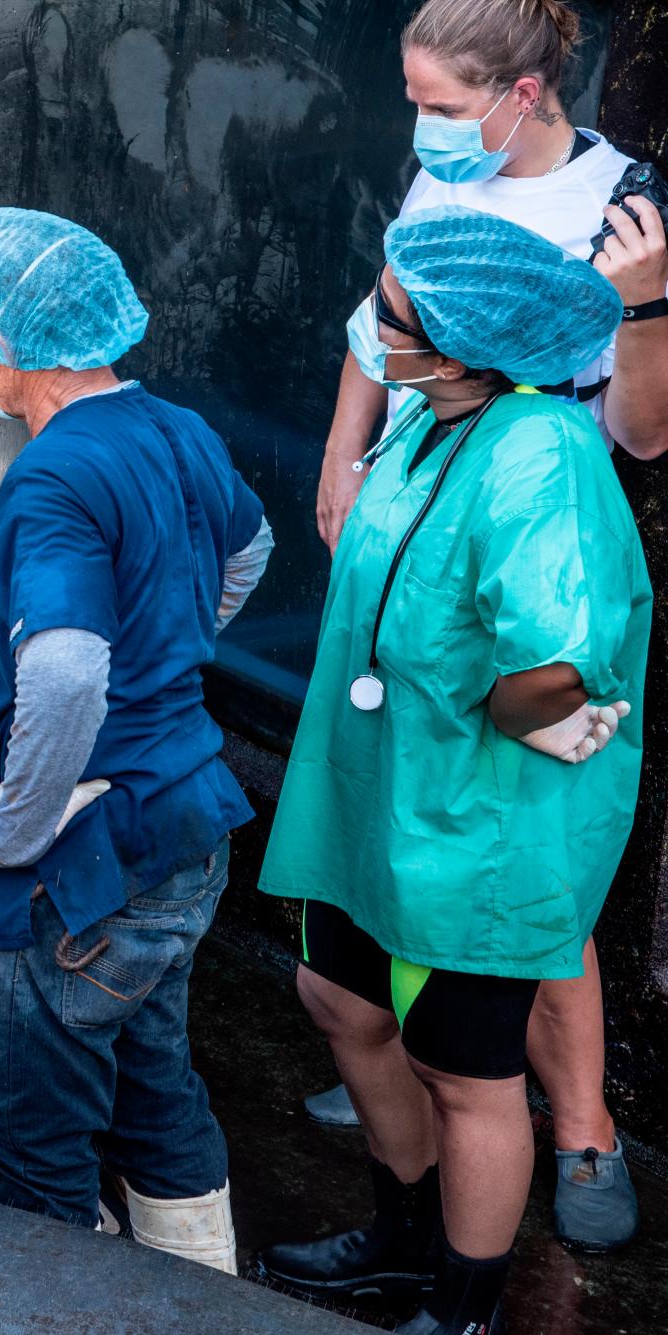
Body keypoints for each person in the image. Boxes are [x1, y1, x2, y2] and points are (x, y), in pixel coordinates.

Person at [307, 0, 665, 1252]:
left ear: (522, 94)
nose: (423, 131)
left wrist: (645, 304)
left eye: (445, 108)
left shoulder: (622, 207)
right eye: (414, 102)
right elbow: (387, 307)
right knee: (411, 823)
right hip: (422, 485)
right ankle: (421, 1066)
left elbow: (640, 434)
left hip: (523, 530)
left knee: (524, 887)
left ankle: (574, 1133)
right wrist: (345, 451)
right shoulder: (437, 177)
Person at [253, 210, 644, 1334]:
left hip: (475, 819)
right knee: (336, 997)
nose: (370, 325)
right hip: (380, 791)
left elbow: (557, 656)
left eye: (389, 314)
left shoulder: (541, 454)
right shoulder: (434, 414)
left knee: (465, 1068)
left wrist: (530, 715)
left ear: (464, 343)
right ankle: (400, 1241)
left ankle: (460, 1302)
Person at [0, 209, 273, 1273]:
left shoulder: (52, 472)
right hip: (181, 821)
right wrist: (170, 652)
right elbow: (247, 550)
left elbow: (65, 670)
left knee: (31, 1133)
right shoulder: (177, 428)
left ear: (6, 348)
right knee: (154, 1083)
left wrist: (12, 832)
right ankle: (201, 1295)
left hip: (82, 858)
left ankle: (65, 1298)